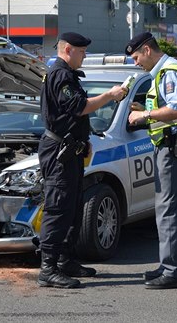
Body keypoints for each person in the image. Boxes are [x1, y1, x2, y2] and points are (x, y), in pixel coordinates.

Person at [38, 32, 128, 289]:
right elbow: (79, 107)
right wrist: (110, 96)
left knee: (73, 207)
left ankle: (65, 261)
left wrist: (82, 139)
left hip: (71, 149)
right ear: (68, 50)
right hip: (59, 152)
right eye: (82, 51)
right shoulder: (61, 75)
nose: (85, 55)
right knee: (58, 208)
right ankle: (48, 269)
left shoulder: (65, 74)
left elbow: (71, 116)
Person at [126, 32, 177, 290]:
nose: (135, 63)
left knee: (168, 208)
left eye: (135, 57)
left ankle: (174, 269)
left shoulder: (169, 73)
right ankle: (168, 265)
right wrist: (142, 109)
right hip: (169, 144)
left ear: (146, 50)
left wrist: (143, 115)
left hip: (172, 144)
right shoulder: (163, 73)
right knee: (166, 207)